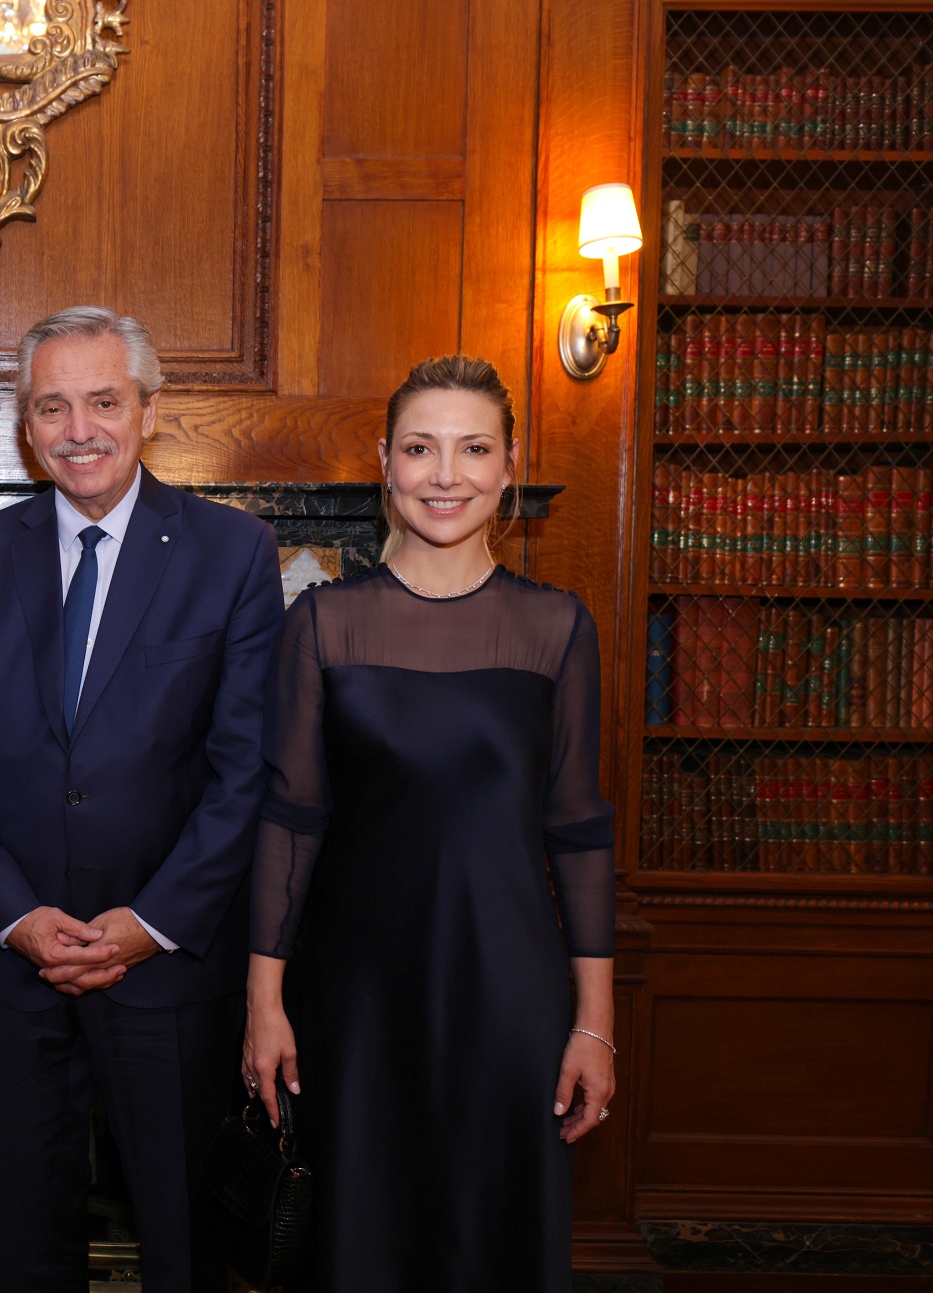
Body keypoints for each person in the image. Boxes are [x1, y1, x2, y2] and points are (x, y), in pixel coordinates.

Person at [0, 306, 284, 1292]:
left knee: (182, 1239)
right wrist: (15, 916)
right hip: (18, 959)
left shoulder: (232, 553)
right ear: (26, 426)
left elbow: (245, 765)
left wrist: (150, 924)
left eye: (104, 402)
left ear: (148, 410)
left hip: (164, 967)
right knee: (24, 1237)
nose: (79, 429)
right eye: (52, 407)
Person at [242, 354, 617, 1291]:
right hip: (359, 1003)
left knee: (494, 1245)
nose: (446, 474)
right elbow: (290, 822)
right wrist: (264, 1002)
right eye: (420, 448)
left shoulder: (557, 628)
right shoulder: (322, 624)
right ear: (385, 462)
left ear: (509, 465)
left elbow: (578, 828)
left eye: (473, 448)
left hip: (511, 998)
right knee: (363, 1245)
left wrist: (596, 1024)